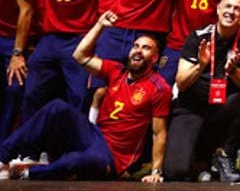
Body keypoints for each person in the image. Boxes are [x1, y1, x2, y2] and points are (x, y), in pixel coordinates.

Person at [0, 10, 169, 181]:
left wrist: (156, 172)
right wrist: (100, 25)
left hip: (113, 157)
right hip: (94, 135)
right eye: (136, 46)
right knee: (57, 107)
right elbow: (79, 55)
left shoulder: (159, 87)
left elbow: (159, 133)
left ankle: (25, 173)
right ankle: (1, 157)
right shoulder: (117, 71)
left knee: (76, 161)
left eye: (146, 48)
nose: (138, 51)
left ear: (155, 58)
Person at [163, 0, 240, 183]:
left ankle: (225, 153)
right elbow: (181, 83)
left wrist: (233, 70)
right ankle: (199, 163)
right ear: (218, 9)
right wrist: (201, 65)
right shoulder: (198, 37)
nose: (231, 12)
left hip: (222, 109)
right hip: (192, 107)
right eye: (228, 6)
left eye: (237, 9)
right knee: (175, 171)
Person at [0, 0, 28, 138]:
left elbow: (26, 11)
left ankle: (2, 149)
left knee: (14, 90)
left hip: (13, 39)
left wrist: (17, 53)